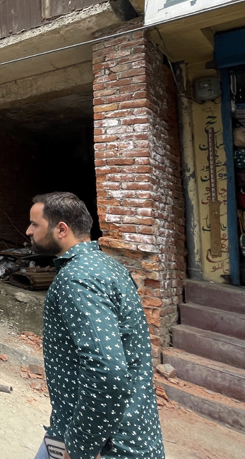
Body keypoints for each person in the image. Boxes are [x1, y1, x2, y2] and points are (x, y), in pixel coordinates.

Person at [26, 192, 165, 459]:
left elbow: (107, 372)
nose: (28, 230)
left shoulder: (77, 278)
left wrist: (80, 447)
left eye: (35, 224)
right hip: (105, 433)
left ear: (61, 229)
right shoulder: (109, 267)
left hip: (106, 445)